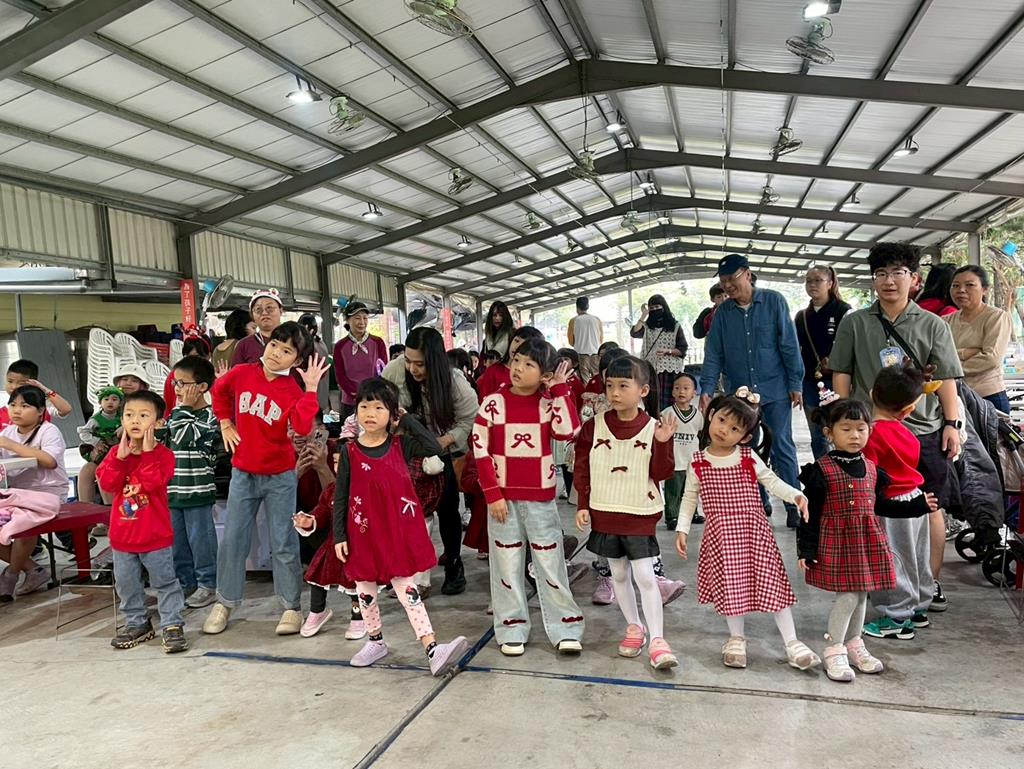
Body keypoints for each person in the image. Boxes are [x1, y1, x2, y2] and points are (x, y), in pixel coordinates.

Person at [829, 242, 963, 616]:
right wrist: (843, 421)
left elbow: (947, 379)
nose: (889, 281)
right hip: (869, 433)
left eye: (898, 273)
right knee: (872, 509)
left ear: (914, 279)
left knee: (929, 507)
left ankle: (929, 583)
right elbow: (842, 373)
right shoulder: (855, 322)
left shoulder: (933, 324)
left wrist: (951, 424)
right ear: (873, 280)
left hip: (924, 430)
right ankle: (883, 582)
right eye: (881, 274)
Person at [675, 390, 820, 671]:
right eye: (721, 420)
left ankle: (792, 642)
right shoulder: (698, 461)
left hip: (754, 534)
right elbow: (689, 497)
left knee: (773, 584)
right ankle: (736, 639)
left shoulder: (746, 457)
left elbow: (772, 481)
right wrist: (683, 529)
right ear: (711, 416)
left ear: (744, 437)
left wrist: (796, 495)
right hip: (721, 537)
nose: (723, 430)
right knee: (732, 587)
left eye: (734, 429)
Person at [333, 378, 469, 674]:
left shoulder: (402, 445)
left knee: (408, 590)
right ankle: (375, 641)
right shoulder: (349, 452)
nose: (370, 413)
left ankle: (432, 647)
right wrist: (339, 535)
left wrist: (407, 420)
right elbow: (340, 495)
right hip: (362, 535)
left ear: (393, 414)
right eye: (364, 406)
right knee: (365, 591)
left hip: (395, 533)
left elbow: (434, 448)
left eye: (379, 407)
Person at [203, 322, 330, 636]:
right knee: (233, 539)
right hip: (243, 473)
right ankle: (225, 601)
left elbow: (303, 427)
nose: (276, 354)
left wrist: (310, 390)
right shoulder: (242, 373)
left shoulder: (292, 390)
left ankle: (291, 606)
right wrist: (225, 423)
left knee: (283, 540)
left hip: (280, 477)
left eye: (286, 351)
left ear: (297, 361)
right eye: (274, 345)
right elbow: (218, 392)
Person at [473, 339, 584, 657]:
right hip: (502, 502)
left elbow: (568, 431)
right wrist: (492, 493)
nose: (518, 368)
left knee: (550, 563)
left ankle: (566, 627)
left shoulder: (549, 403)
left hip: (541, 500)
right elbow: (479, 448)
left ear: (544, 374)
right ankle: (511, 627)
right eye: (516, 360)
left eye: (529, 364)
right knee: (506, 565)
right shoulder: (492, 403)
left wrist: (559, 389)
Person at [575, 355, 678, 669]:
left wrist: (663, 443)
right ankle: (634, 626)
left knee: (645, 575)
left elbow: (661, 473)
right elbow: (582, 467)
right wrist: (583, 503)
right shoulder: (593, 426)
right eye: (610, 386)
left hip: (639, 512)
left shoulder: (654, 428)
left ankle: (658, 639)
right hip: (605, 509)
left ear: (643, 390)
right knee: (618, 573)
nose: (615, 393)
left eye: (623, 386)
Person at [699, 253, 804, 528]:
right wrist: (707, 389)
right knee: (747, 450)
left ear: (747, 274)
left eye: (731, 279)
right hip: (740, 396)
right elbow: (714, 354)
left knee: (782, 446)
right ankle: (758, 502)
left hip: (776, 389)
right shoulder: (722, 314)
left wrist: (795, 383)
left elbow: (789, 345)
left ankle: (793, 505)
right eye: (723, 281)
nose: (727, 286)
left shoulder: (773, 301)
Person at [797, 397, 895, 682]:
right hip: (837, 543)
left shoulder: (873, 469)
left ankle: (854, 644)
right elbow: (810, 514)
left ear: (869, 430)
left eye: (861, 429)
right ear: (829, 433)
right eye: (846, 429)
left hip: (865, 542)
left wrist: (918, 505)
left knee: (862, 593)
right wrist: (806, 549)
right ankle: (834, 649)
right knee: (850, 595)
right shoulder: (820, 471)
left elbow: (881, 506)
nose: (855, 435)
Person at [382, 328, 478, 595]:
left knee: (447, 509)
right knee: (410, 513)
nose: (412, 368)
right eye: (408, 361)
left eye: (420, 364)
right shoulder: (393, 371)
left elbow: (468, 420)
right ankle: (409, 573)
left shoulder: (455, 382)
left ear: (434, 361)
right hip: (405, 452)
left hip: (441, 451)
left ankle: (454, 564)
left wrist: (441, 443)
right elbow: (379, 403)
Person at [96, 390, 188, 653]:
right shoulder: (116, 453)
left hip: (155, 536)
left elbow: (152, 483)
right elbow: (108, 484)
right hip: (122, 538)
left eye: (144, 415)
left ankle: (172, 624)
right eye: (129, 415)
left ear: (158, 423)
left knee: (165, 582)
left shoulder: (164, 455)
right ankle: (137, 623)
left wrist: (147, 454)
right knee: (126, 584)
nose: (135, 420)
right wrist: (119, 458)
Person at [861, 365, 941, 640]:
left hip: (891, 505)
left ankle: (896, 617)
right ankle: (919, 607)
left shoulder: (870, 434)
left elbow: (869, 473)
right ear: (908, 410)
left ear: (872, 393)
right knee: (917, 556)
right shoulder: (908, 433)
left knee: (892, 558)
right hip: (916, 499)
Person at [0, 385, 69, 599]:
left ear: (40, 411)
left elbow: (49, 461)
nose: (16, 410)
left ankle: (11, 575)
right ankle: (32, 569)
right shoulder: (8, 432)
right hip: (17, 494)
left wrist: (10, 445)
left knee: (25, 523)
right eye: (13, 405)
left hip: (47, 494)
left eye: (24, 406)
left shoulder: (48, 431)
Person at [165, 356, 219, 609]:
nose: (177, 389)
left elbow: (184, 435)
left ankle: (208, 584)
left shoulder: (211, 416)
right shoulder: (176, 415)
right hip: (173, 488)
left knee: (201, 541)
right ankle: (186, 583)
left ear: (202, 387)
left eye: (182, 383)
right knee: (177, 543)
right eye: (175, 383)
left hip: (197, 489)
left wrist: (183, 407)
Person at [795, 265, 851, 459]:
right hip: (810, 383)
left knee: (841, 427)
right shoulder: (802, 316)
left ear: (830, 283)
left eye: (818, 280)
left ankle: (845, 467)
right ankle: (823, 469)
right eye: (808, 281)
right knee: (817, 433)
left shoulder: (844, 311)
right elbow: (795, 350)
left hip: (837, 382)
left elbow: (853, 347)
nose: (812, 285)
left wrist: (835, 360)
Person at [947, 265, 1013, 413]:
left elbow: (991, 358)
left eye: (969, 285)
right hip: (955, 397)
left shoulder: (996, 317)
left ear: (984, 289)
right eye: (955, 286)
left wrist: (951, 368)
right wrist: (966, 353)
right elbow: (938, 357)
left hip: (988, 397)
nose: (961, 290)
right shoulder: (946, 321)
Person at [630, 294, 687, 411]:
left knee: (669, 403)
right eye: (652, 308)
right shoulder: (647, 327)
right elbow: (634, 333)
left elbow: (682, 349)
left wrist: (668, 351)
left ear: (664, 307)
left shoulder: (675, 326)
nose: (655, 310)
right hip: (651, 369)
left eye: (657, 307)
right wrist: (644, 314)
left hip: (669, 371)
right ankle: (654, 420)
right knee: (652, 401)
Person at [661, 372, 702, 531]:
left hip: (692, 460)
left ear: (694, 393)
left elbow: (700, 433)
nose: (681, 391)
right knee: (673, 490)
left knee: (691, 489)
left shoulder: (698, 415)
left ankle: (692, 513)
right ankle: (672, 516)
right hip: (674, 460)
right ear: (672, 392)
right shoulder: (667, 413)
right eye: (677, 388)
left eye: (686, 388)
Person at [333, 301, 388, 421]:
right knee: (349, 431)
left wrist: (372, 392)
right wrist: (355, 393)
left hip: (374, 398)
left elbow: (384, 370)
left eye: (365, 318)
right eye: (357, 318)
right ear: (347, 320)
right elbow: (340, 375)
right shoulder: (340, 346)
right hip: (350, 401)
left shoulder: (378, 342)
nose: (362, 322)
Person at [476, 326, 545, 401]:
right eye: (516, 341)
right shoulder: (493, 371)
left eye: (524, 345)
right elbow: (483, 400)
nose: (516, 347)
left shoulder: (534, 376)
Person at [0, 358, 73, 429]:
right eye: (10, 381)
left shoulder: (42, 405)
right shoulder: (2, 409)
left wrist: (45, 390)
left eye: (21, 383)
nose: (13, 387)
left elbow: (66, 409)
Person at [163, 330, 212, 419]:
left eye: (196, 357)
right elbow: (168, 405)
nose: (177, 388)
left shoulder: (210, 417)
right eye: (187, 357)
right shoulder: (174, 376)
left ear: (208, 356)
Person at [231, 288, 284, 367]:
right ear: (252, 315)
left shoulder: (294, 339)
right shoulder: (244, 345)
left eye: (269, 308)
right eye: (258, 309)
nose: (264, 313)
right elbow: (236, 373)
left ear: (281, 311)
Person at [567, 296, 603, 382]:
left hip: (581, 354)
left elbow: (571, 341)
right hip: (595, 353)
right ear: (588, 306)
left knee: (585, 380)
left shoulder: (573, 320)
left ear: (577, 307)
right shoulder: (597, 319)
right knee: (597, 378)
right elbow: (601, 338)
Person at [212, 309, 254, 373]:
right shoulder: (243, 346)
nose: (255, 332)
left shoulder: (216, 349)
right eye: (253, 328)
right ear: (242, 327)